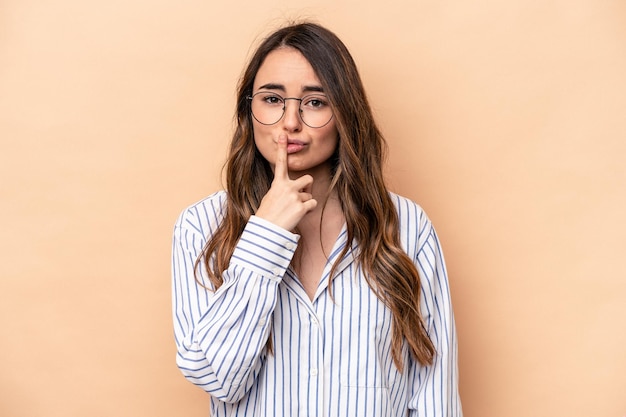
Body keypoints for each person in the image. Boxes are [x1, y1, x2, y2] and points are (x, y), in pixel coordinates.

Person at [171, 21, 462, 416]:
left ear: (345, 113)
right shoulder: (201, 227)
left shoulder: (407, 228)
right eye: (272, 99)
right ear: (249, 109)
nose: (290, 122)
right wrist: (267, 235)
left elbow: (434, 394)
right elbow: (217, 376)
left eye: (315, 102)